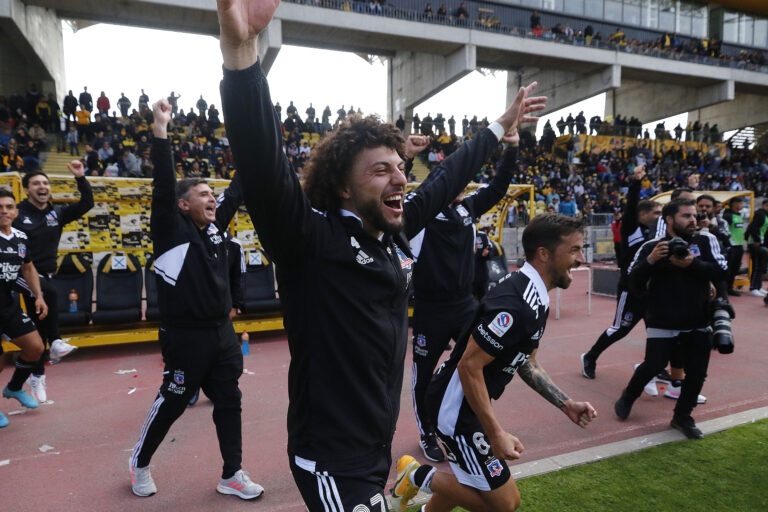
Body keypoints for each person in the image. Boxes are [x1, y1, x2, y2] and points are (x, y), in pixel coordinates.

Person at [216, 1, 545, 507]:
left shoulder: (392, 231)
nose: (399, 179)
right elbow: (261, 162)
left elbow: (446, 178)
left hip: (374, 449)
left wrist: (499, 127)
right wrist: (242, 54)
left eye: (400, 168)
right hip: (330, 459)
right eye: (380, 170)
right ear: (343, 188)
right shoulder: (310, 239)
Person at [392, 214, 595, 512]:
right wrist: (495, 432)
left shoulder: (534, 295)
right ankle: (417, 474)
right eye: (574, 250)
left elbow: (527, 362)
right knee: (504, 504)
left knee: (470, 479)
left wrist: (566, 404)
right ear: (544, 253)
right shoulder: (517, 304)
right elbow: (469, 366)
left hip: (463, 402)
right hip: (455, 409)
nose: (581, 259)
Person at [129, 100, 261, 499]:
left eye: (212, 193)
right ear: (184, 204)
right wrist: (161, 129)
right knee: (173, 401)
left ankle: (232, 474)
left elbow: (235, 191)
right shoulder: (171, 231)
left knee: (229, 400)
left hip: (222, 334)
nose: (212, 198)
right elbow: (163, 184)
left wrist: (252, 144)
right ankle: (139, 463)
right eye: (203, 194)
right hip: (185, 337)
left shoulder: (216, 230)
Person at [408, 130, 520, 462]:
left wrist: (512, 148)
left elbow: (497, 188)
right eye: (456, 180)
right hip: (430, 310)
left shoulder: (468, 208)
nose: (463, 185)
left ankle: (464, 420)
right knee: (423, 375)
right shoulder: (422, 212)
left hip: (466, 306)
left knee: (481, 363)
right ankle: (427, 432)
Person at [614, 199, 728, 439]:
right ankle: (629, 395)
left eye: (694, 215)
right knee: (653, 365)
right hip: (662, 320)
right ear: (669, 219)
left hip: (697, 321)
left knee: (697, 373)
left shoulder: (705, 240)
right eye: (686, 216)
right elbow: (631, 282)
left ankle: (682, 417)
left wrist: (692, 264)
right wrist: (651, 261)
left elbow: (722, 272)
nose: (693, 220)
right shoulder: (652, 246)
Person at [14, 165, 92, 402]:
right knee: (49, 292)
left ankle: (36, 375)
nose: (42, 187)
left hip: (45, 275)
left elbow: (86, 203)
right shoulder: (17, 213)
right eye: (36, 183)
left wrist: (80, 177)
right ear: (27, 190)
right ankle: (56, 341)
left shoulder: (55, 213)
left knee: (38, 330)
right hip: (19, 273)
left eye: (45, 183)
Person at [581, 167, 660, 380]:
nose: (659, 216)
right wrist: (636, 181)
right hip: (630, 288)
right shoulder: (630, 228)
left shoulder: (656, 233)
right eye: (656, 213)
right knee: (620, 329)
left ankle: (655, 367)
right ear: (642, 214)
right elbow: (631, 205)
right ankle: (590, 357)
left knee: (656, 331)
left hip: (651, 291)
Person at [0, 188, 48, 427]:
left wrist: (38, 296)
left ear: (16, 212)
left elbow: (28, 268)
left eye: (9, 207)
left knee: (36, 348)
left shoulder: (20, 237)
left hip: (7, 305)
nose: (4, 211)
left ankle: (15, 387)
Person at [722, 197, 746, 296]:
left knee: (735, 268)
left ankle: (730, 287)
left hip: (739, 245)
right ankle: (725, 288)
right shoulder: (728, 216)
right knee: (729, 268)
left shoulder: (738, 215)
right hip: (731, 246)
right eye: (740, 203)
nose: (742, 205)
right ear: (734, 204)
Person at [746, 199, 768, 297]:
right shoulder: (759, 214)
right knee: (756, 266)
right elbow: (753, 227)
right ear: (763, 205)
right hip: (755, 243)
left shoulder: (766, 216)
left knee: (761, 266)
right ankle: (753, 288)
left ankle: (758, 287)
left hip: (761, 243)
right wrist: (757, 240)